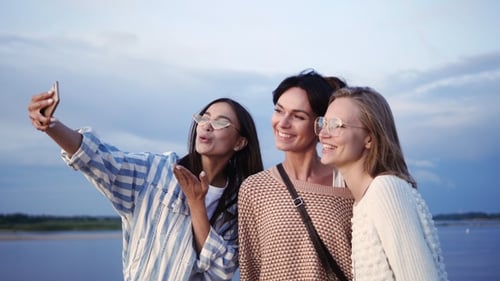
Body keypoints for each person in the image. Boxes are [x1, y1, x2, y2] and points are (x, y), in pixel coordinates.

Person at [28, 90, 264, 281]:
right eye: (204, 117)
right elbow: (100, 159)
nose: (207, 125)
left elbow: (220, 271)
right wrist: (51, 125)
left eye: (221, 122)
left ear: (240, 142)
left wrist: (196, 204)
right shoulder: (157, 172)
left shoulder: (240, 203)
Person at [316, 86, 448, 280]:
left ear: (369, 138)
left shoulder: (385, 190)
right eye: (323, 123)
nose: (323, 134)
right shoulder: (363, 200)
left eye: (336, 125)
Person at [238, 69, 354, 280]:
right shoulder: (254, 189)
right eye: (279, 111)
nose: (283, 123)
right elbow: (250, 271)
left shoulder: (349, 184)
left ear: (320, 124)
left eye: (298, 116)